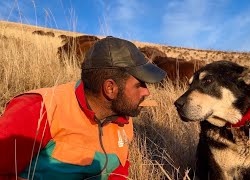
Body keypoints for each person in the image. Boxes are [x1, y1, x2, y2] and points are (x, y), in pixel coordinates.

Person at [0, 36, 166, 180]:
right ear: (110, 88)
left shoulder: (123, 119)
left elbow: (118, 171)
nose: (147, 92)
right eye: (140, 85)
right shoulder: (39, 110)